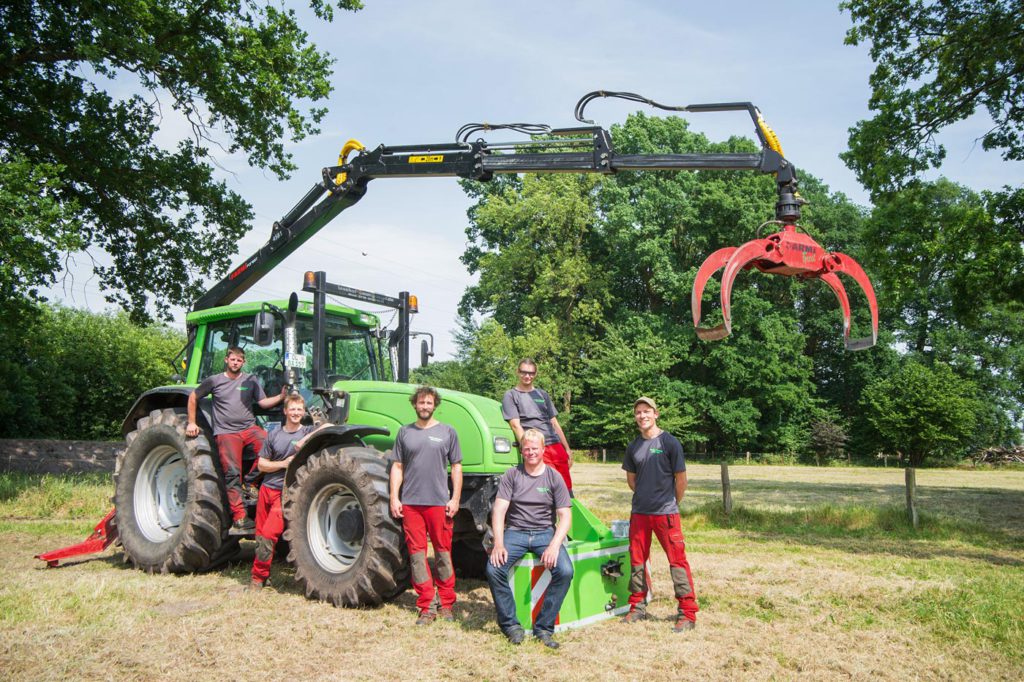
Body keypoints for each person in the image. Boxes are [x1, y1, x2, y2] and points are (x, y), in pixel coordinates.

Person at [486, 429, 573, 649]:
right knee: (493, 569)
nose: (531, 453)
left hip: (545, 532)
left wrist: (554, 545)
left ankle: (543, 628)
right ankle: (511, 625)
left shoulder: (554, 477)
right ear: (522, 451)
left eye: (535, 448)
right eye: (527, 449)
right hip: (516, 532)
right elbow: (499, 510)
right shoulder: (511, 475)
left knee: (565, 571)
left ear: (543, 450)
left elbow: (565, 516)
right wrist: (499, 543)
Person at [186, 346, 286, 534]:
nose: (235, 363)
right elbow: (193, 396)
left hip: (249, 428)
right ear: (226, 360)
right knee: (232, 472)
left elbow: (262, 403)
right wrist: (191, 422)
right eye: (232, 359)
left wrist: (281, 396)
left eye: (239, 360)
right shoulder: (214, 380)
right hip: (226, 432)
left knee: (272, 447)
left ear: (243, 362)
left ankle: (249, 482)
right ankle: (240, 517)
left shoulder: (251, 380)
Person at [620, 397, 699, 632]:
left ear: (656, 414)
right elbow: (632, 481)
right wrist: (646, 496)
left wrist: (671, 502)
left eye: (646, 411)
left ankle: (687, 612)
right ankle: (637, 607)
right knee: (637, 561)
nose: (642, 415)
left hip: (666, 514)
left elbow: (681, 480)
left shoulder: (670, 443)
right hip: (640, 514)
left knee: (677, 562)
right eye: (638, 412)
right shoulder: (633, 446)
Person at [389, 385, 463, 625]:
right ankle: (426, 605)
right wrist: (394, 497)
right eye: (421, 402)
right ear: (414, 404)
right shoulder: (404, 433)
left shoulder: (448, 432)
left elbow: (457, 468)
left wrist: (455, 499)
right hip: (411, 504)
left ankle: (447, 603)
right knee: (417, 556)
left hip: (439, 504)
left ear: (435, 405)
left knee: (443, 554)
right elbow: (397, 467)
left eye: (429, 403)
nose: (424, 406)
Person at [249, 393, 322, 590]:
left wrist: (303, 440)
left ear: (303, 412)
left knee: (269, 534)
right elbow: (262, 465)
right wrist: (283, 463)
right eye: (293, 409)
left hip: (285, 492)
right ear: (285, 411)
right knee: (259, 536)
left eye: (299, 409)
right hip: (266, 488)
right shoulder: (273, 435)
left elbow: (327, 427)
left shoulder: (306, 432)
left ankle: (257, 578)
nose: (296, 413)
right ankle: (264, 576)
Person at [501, 358, 573, 492]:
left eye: (531, 373)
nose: (527, 376)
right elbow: (516, 426)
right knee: (547, 489)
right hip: (537, 446)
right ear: (518, 372)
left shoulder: (542, 394)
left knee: (566, 489)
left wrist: (567, 449)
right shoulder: (511, 395)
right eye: (524, 372)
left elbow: (554, 423)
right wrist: (529, 448)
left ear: (535, 374)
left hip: (556, 446)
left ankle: (569, 511)